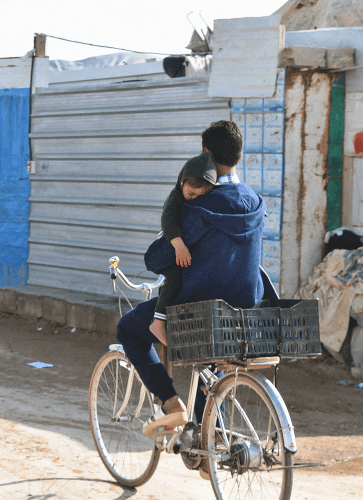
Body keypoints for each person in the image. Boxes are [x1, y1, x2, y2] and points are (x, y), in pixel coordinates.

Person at [117, 120, 267, 439]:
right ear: (240, 156)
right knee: (209, 359)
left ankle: (171, 404)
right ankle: (211, 437)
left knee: (128, 328)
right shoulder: (255, 201)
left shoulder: (199, 203)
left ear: (206, 155)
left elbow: (157, 259)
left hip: (197, 309)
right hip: (242, 310)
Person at [155, 151, 218, 326]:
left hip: (189, 250)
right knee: (173, 280)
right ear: (182, 182)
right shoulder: (175, 197)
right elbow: (167, 221)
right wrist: (179, 246)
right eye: (191, 193)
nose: (193, 199)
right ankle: (159, 321)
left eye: (199, 196)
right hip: (175, 247)